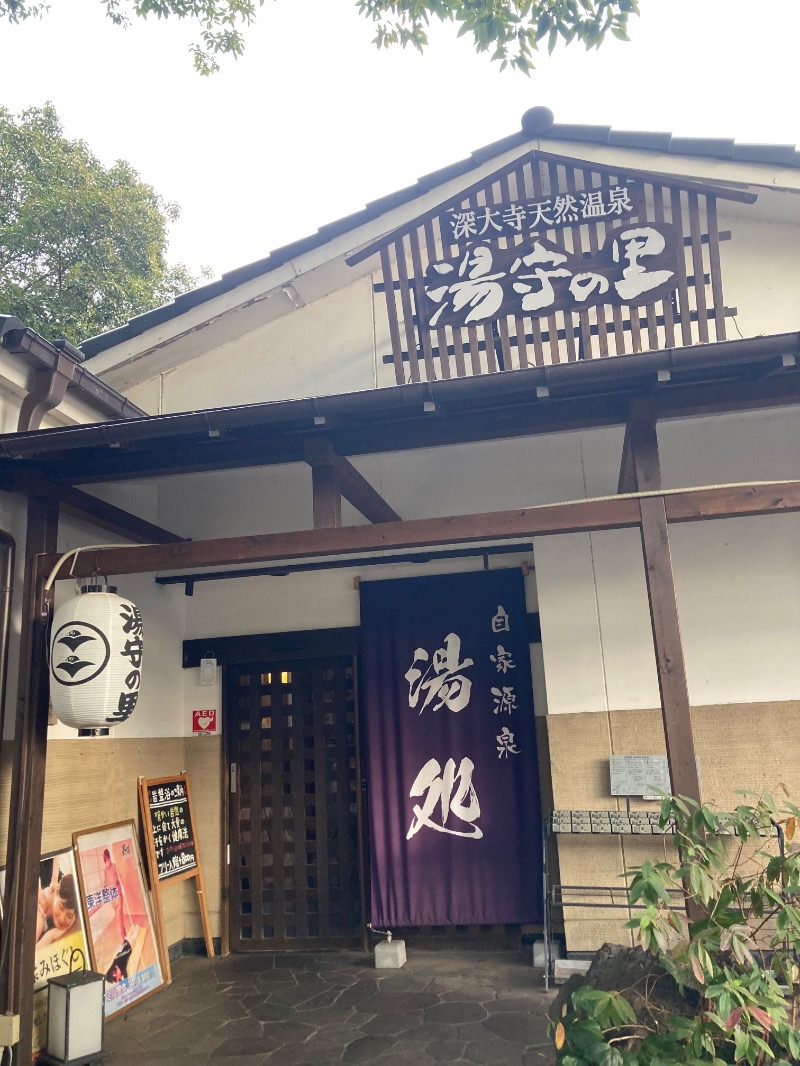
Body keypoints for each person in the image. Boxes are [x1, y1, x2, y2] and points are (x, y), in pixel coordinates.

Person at [37, 873, 79, 945]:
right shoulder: (39, 917)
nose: (62, 918)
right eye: (61, 908)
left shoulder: (50, 894)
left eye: (69, 916)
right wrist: (50, 936)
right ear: (57, 890)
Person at [102, 847, 126, 943]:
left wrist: (120, 884)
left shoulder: (114, 866)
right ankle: (124, 935)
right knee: (118, 919)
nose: (104, 859)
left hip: (118, 895)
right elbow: (105, 882)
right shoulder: (105, 870)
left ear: (107, 856)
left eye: (105, 857)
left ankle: (123, 939)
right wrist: (104, 887)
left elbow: (120, 878)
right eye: (103, 858)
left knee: (119, 919)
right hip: (112, 897)